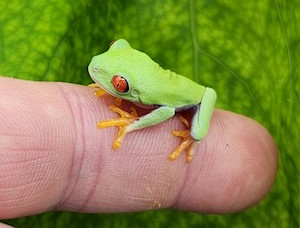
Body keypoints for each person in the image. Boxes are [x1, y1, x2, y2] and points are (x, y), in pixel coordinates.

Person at [0, 77, 278, 224]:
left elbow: (167, 110)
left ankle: (190, 135)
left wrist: (133, 125)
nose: (114, 86)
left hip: (192, 101)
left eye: (118, 84)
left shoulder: (152, 98)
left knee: (196, 131)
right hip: (169, 86)